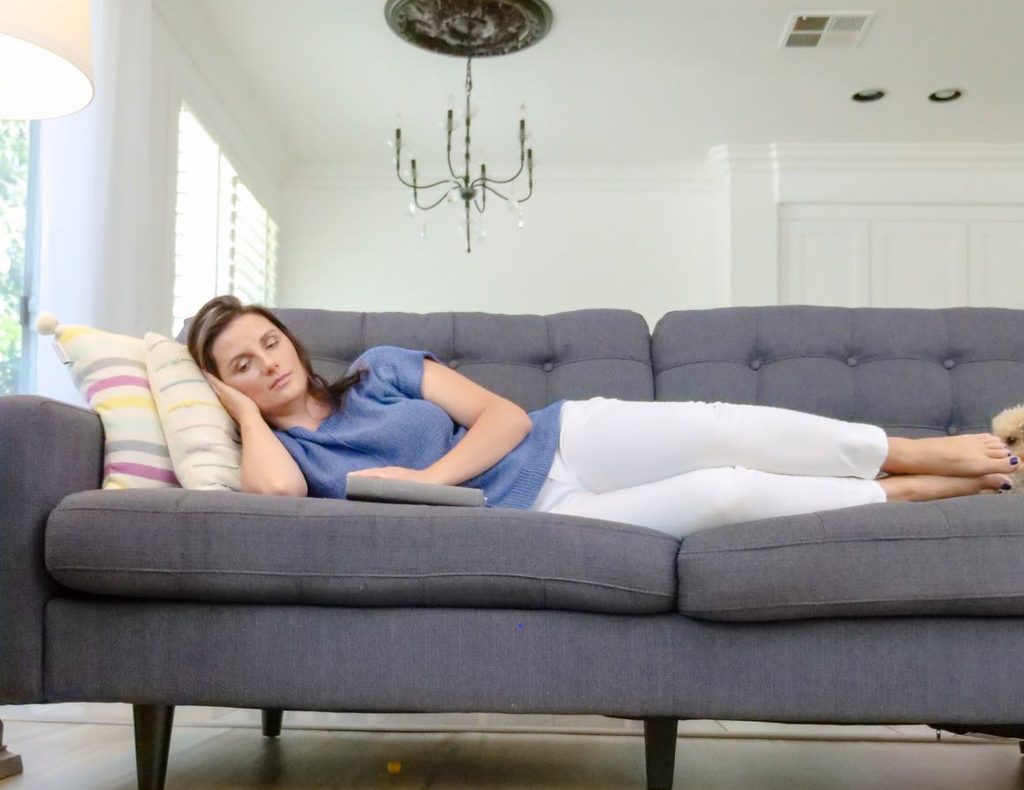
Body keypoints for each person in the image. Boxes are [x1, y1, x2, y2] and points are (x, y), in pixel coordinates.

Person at [186, 295, 1020, 541]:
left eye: (268, 341)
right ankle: (913, 495)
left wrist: (427, 480)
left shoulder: (381, 372)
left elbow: (504, 420)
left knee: (716, 427)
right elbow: (276, 500)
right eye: (242, 366)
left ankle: (912, 451)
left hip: (565, 438)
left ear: (289, 336)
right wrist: (242, 415)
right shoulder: (293, 456)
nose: (268, 363)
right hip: (547, 515)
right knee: (726, 497)